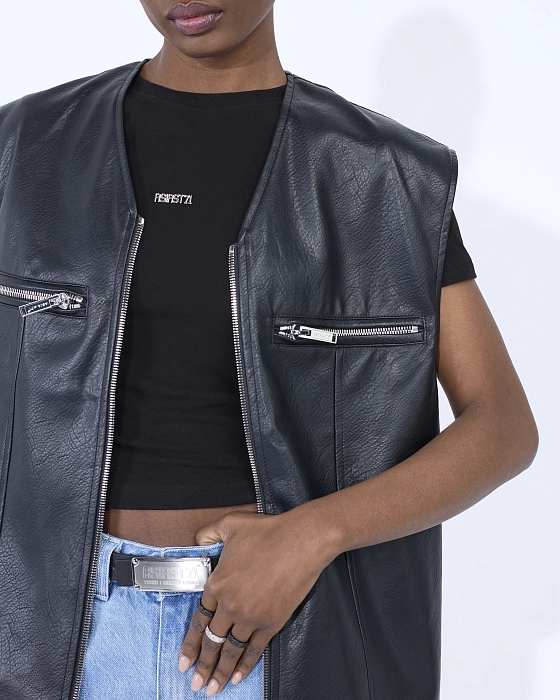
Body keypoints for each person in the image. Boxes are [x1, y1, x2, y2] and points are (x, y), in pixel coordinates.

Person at [0, 1, 539, 699]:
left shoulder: (387, 177)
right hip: (52, 639)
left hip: (285, 633)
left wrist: (311, 535)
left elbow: (502, 427)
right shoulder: (27, 146)